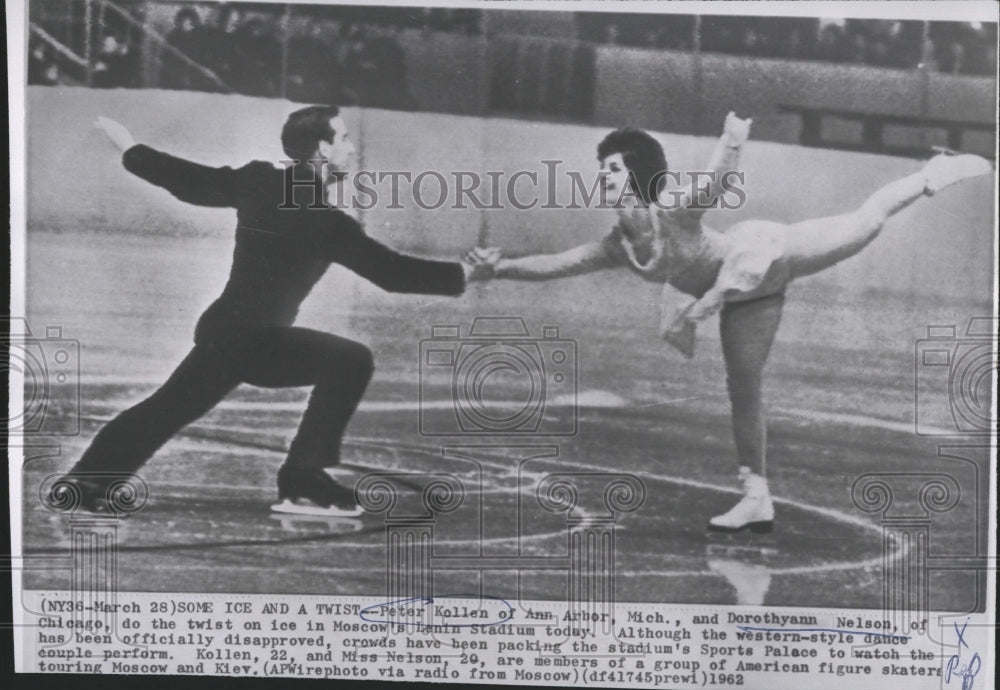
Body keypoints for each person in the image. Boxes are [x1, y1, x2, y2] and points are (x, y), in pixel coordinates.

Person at [467, 113, 992, 533]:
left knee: (866, 223)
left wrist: (731, 141)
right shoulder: (618, 244)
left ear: (640, 177)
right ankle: (756, 497)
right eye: (602, 171)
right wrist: (502, 268)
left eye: (613, 170)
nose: (602, 179)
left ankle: (931, 174)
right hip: (744, 303)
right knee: (744, 389)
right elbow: (559, 262)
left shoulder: (670, 208)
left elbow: (713, 188)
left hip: (766, 256)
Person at [50, 105, 490, 517]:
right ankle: (303, 479)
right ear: (322, 148)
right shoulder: (322, 218)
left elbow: (190, 181)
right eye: (344, 138)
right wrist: (464, 274)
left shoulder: (261, 181)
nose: (352, 148)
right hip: (254, 341)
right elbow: (391, 273)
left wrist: (129, 148)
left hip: (229, 333)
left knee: (163, 410)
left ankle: (84, 483)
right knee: (350, 360)